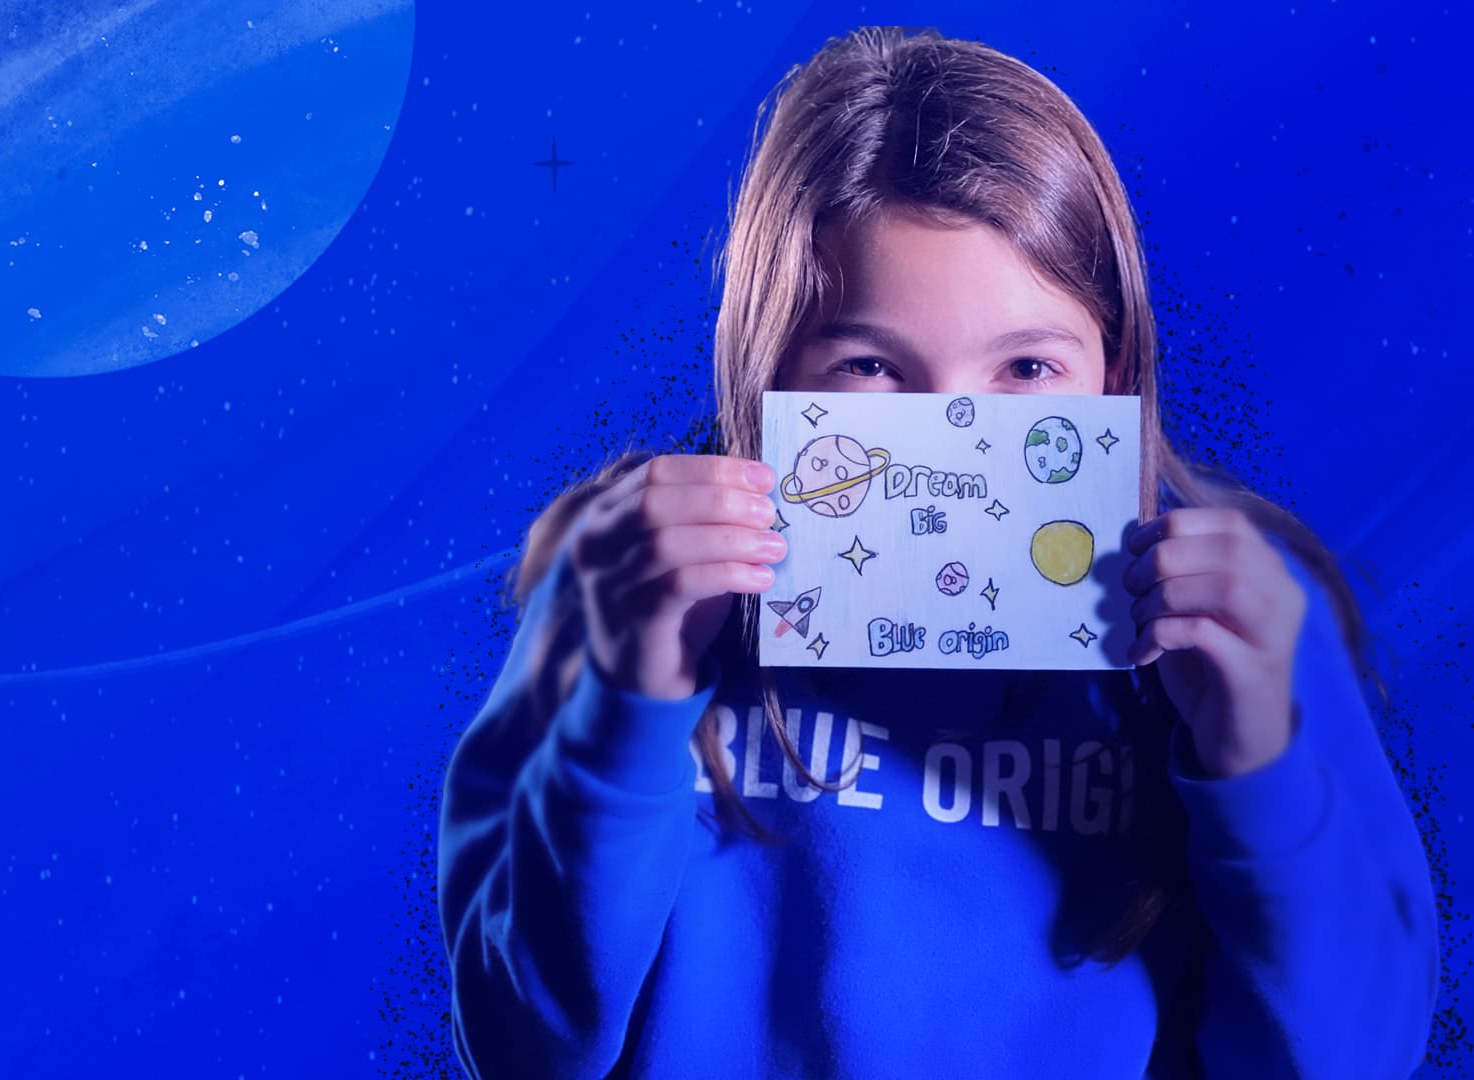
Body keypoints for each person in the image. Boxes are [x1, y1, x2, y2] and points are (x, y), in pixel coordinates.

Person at [435, 24, 1439, 1080]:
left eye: (1026, 367)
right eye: (870, 365)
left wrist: (1257, 763)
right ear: (767, 368)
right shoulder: (622, 579)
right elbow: (524, 1051)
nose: (956, 438)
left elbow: (1349, 1062)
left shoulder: (1245, 613)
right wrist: (626, 700)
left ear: (1114, 364)